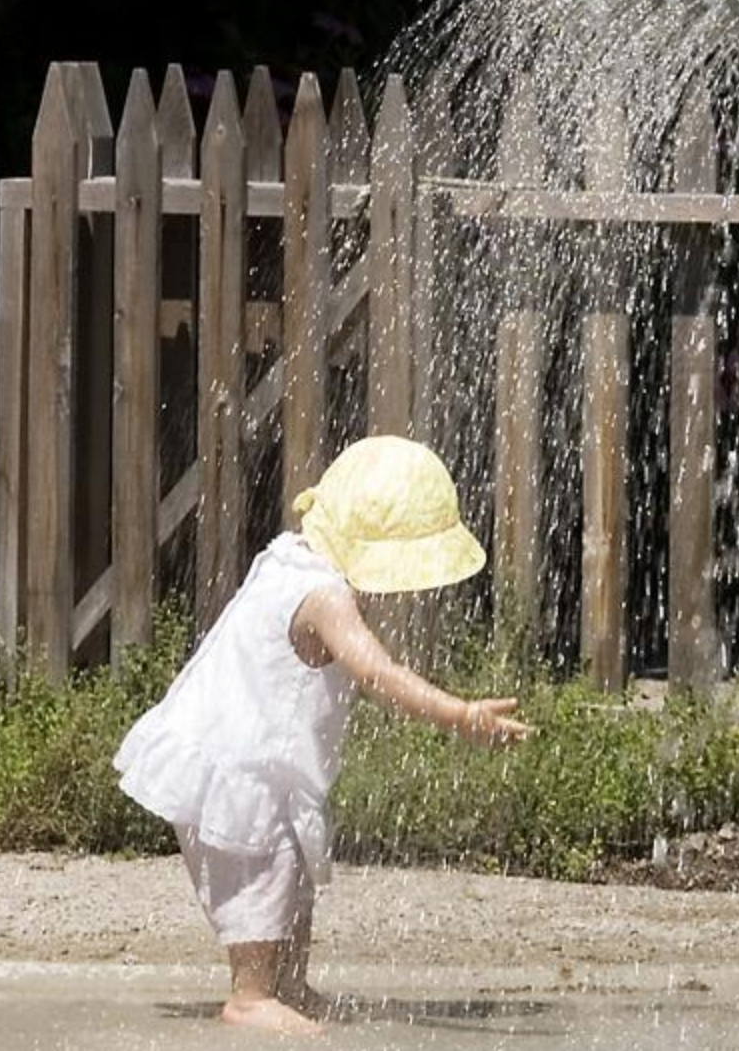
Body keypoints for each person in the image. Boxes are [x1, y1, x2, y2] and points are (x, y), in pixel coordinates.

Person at [114, 436, 531, 1034]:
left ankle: (290, 985)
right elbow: (378, 673)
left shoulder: (288, 558)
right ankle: (251, 995)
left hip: (249, 763)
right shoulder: (325, 598)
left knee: (293, 877)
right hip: (243, 775)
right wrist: (460, 715)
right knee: (267, 874)